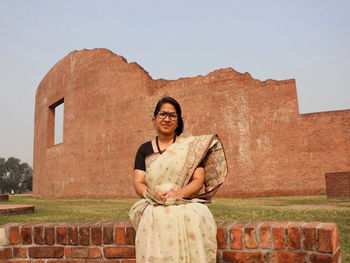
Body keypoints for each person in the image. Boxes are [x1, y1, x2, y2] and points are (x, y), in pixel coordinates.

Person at [129, 96, 227, 263]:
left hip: (184, 200)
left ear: (178, 120)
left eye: (172, 115)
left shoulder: (191, 147)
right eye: (162, 114)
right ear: (154, 118)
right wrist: (152, 194)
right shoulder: (144, 149)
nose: (167, 119)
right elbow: (138, 182)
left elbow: (198, 180)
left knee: (196, 215)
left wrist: (177, 194)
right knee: (153, 217)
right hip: (153, 201)